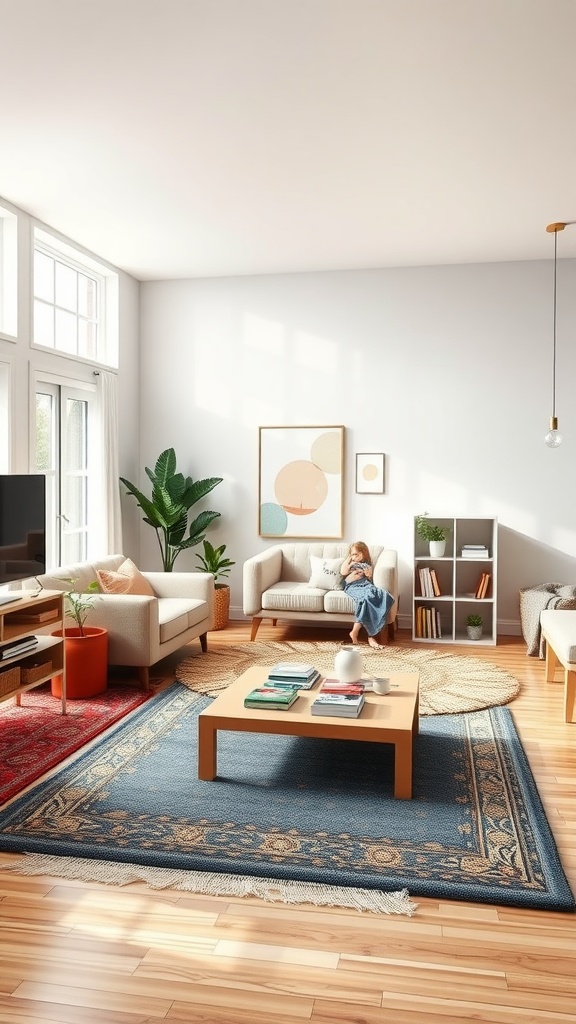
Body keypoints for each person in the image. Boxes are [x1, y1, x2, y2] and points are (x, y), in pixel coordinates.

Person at [340, 541, 394, 650]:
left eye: (356, 554)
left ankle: (362, 633)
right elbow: (343, 572)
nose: (353, 557)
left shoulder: (367, 565)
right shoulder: (351, 564)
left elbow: (369, 577)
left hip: (365, 585)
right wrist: (349, 559)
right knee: (363, 599)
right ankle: (362, 634)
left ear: (363, 553)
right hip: (353, 586)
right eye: (352, 554)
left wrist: (367, 573)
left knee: (380, 595)